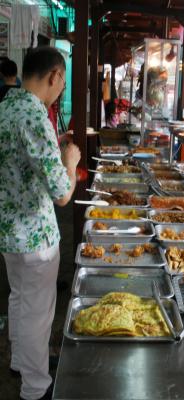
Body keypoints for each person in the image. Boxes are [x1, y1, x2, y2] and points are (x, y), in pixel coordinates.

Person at [0, 46, 81, 400]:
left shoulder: (6, 107)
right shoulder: (35, 115)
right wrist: (70, 159)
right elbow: (63, 194)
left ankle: (20, 361)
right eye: (62, 83)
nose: (60, 89)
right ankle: (36, 387)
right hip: (36, 237)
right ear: (55, 76)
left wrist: (54, 148)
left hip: (9, 232)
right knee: (36, 313)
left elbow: (21, 159)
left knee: (19, 300)